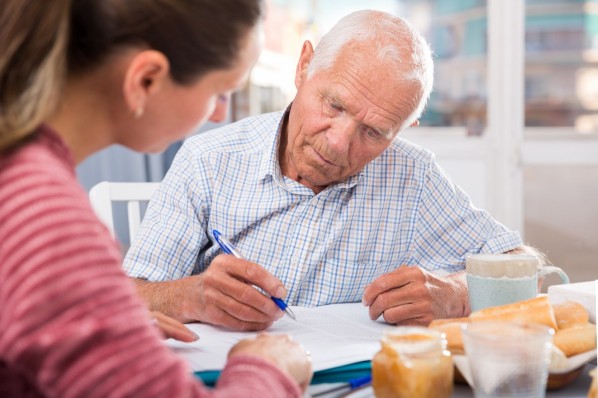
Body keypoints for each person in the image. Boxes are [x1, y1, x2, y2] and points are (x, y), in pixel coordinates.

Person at [123, 10, 535, 331]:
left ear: (402, 131)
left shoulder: (412, 176)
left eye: (373, 131)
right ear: (304, 66)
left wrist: (458, 293)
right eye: (334, 105)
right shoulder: (208, 159)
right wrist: (190, 296)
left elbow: (527, 266)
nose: (338, 143)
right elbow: (126, 298)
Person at [0, 1, 313, 397]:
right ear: (146, 80)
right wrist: (267, 368)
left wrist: (106, 334)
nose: (219, 115)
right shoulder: (46, 219)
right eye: (219, 92)